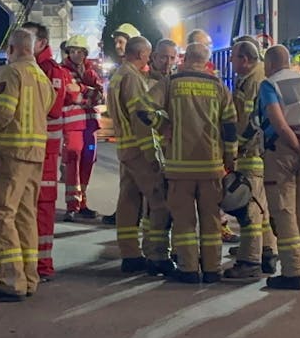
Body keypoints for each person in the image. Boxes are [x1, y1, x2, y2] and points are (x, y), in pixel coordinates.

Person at [0, 29, 53, 302]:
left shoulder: (11, 73)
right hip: (36, 154)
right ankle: (29, 278)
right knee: (26, 216)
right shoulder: (42, 76)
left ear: (11, 49)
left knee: (1, 215)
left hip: (9, 154)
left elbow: (2, 114)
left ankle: (10, 281)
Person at [155, 43, 235, 283]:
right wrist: (230, 158)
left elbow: (142, 107)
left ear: (185, 58)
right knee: (211, 220)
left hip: (179, 167)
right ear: (206, 60)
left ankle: (188, 269)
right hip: (211, 166)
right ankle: (212, 269)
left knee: (184, 221)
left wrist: (163, 127)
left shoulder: (171, 82)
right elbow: (230, 125)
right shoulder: (218, 86)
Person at [258, 45, 300, 290]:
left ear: (269, 63)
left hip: (282, 152)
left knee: (284, 212)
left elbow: (279, 123)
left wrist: (297, 149)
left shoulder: (269, 85)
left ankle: (292, 271)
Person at [109, 36, 172, 273]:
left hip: (125, 148)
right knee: (158, 200)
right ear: (142, 54)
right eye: (149, 54)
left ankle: (130, 254)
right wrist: (151, 154)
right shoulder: (133, 79)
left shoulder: (118, 75)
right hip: (138, 149)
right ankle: (157, 255)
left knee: (128, 200)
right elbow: (141, 118)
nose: (149, 58)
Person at [25, 21, 74, 279]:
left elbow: (53, 109)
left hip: (45, 151)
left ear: (42, 43)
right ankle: (27, 261)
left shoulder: (50, 72)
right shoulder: (27, 68)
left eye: (29, 39)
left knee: (42, 207)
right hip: (27, 149)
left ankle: (43, 264)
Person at [225, 39, 276, 279]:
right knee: (261, 206)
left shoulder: (255, 82)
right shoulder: (255, 77)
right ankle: (267, 251)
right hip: (259, 152)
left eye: (234, 58)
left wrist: (236, 146)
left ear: (245, 60)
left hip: (252, 152)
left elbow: (251, 121)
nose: (232, 62)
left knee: (250, 209)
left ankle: (249, 261)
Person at [58, 35, 102, 221]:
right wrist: (88, 92)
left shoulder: (91, 71)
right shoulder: (62, 71)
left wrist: (83, 90)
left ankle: (83, 202)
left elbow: (101, 95)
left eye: (80, 51)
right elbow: (69, 94)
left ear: (85, 53)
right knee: (73, 157)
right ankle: (72, 206)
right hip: (73, 124)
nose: (76, 54)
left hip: (90, 124)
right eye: (73, 51)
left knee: (88, 160)